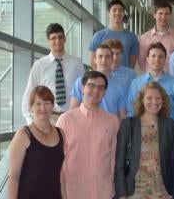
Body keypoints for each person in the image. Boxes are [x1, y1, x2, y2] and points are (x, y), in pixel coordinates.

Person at [56, 71, 119, 199]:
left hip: (103, 191)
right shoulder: (66, 120)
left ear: (105, 92)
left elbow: (114, 156)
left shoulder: (113, 120)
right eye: (91, 86)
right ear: (82, 88)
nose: (96, 90)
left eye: (101, 87)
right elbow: (58, 159)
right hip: (73, 192)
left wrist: (113, 185)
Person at [115, 81, 174, 199]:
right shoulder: (128, 124)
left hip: (162, 192)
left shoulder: (169, 125)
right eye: (149, 98)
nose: (154, 102)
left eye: (158, 98)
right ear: (142, 100)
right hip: (135, 192)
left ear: (163, 101)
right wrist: (122, 194)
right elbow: (119, 163)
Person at [22, 23, 84, 124]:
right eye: (53, 38)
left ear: (65, 39)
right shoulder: (39, 65)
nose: (57, 41)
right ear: (48, 41)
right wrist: (31, 121)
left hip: (72, 117)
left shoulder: (77, 63)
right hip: (48, 118)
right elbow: (29, 94)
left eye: (60, 37)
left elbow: (83, 91)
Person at [8, 86, 64, 199]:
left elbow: (61, 174)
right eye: (38, 104)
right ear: (31, 108)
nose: (43, 108)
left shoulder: (61, 133)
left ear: (52, 105)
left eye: (47, 103)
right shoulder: (23, 135)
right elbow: (13, 177)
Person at [127, 42, 174, 130]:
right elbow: (131, 109)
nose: (157, 59)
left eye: (161, 56)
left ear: (165, 59)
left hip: (168, 131)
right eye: (153, 56)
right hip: (143, 132)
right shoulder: (136, 83)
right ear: (147, 59)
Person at [70, 43, 126, 120]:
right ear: (95, 60)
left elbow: (122, 116)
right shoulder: (81, 81)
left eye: (107, 57)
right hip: (84, 128)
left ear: (112, 60)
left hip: (109, 129)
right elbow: (73, 110)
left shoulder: (120, 86)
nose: (104, 60)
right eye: (100, 56)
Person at [89, 0, 139, 68]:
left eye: (120, 10)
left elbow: (132, 62)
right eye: (114, 10)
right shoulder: (98, 36)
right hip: (104, 77)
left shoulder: (132, 37)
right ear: (109, 13)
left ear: (124, 13)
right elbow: (93, 60)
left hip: (124, 77)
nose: (117, 13)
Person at [138, 1, 174, 72]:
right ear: (154, 15)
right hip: (151, 81)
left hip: (172, 80)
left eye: (167, 14)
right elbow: (142, 62)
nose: (163, 17)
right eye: (160, 13)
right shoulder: (144, 38)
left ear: (170, 15)